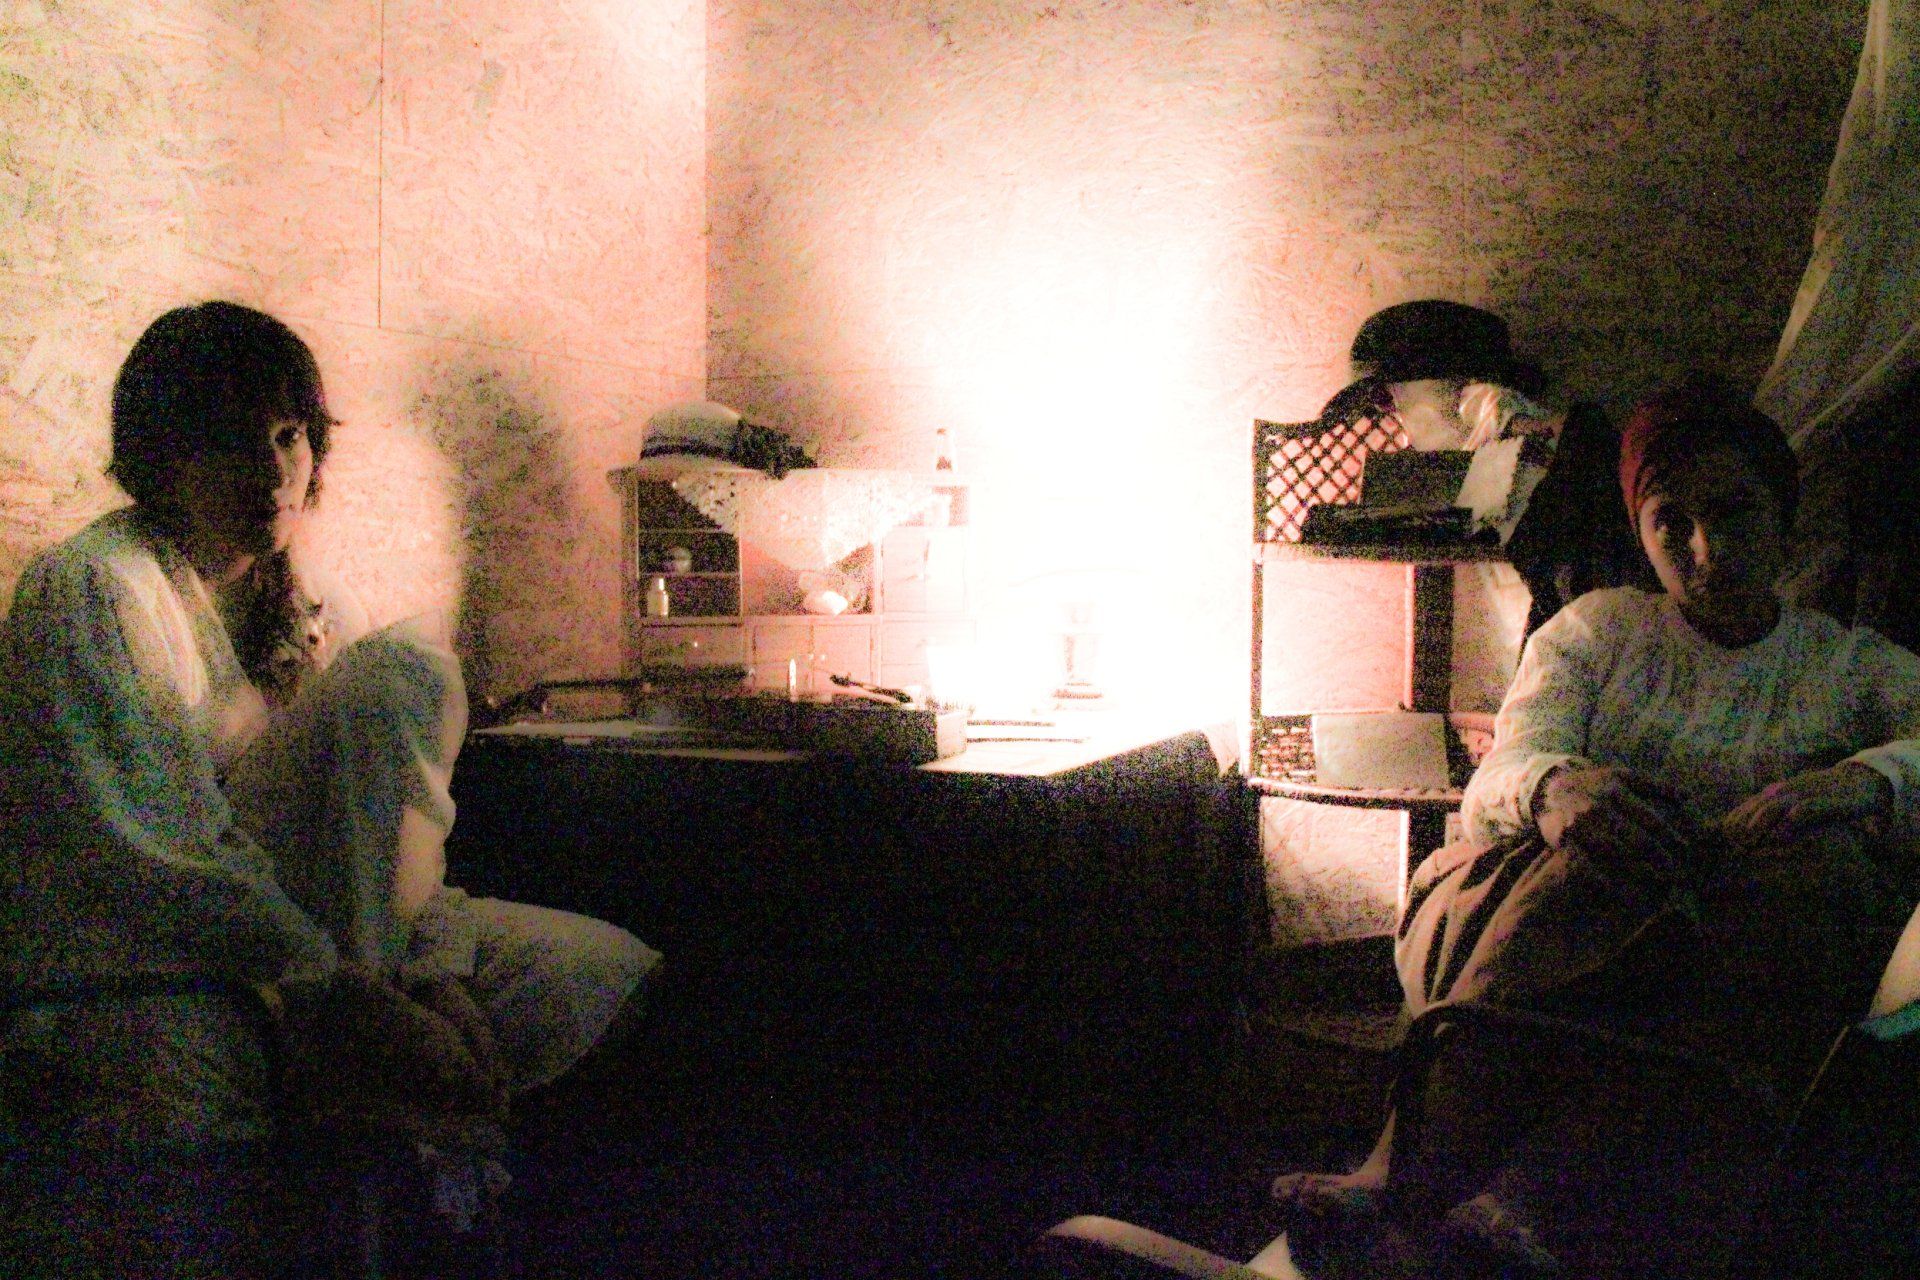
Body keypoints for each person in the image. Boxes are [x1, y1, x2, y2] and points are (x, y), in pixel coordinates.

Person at [0, 301, 661, 1268]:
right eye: (233, 440)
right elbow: (161, 855)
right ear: (162, 454)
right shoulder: (95, 586)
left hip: (330, 926)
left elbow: (393, 827)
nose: (274, 471)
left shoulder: (314, 604)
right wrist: (340, 992)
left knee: (590, 967)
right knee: (408, 670)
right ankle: (353, 1064)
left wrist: (436, 975)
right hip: (161, 940)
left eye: (288, 435)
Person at [1273, 372, 1920, 1276]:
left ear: (1783, 515)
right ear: (1640, 532)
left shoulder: (1847, 665)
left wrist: (1861, 782)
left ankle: (1531, 1194)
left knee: (1814, 885)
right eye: (1670, 523)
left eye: (1734, 512)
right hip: (1578, 906)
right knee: (1584, 863)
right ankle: (1401, 1168)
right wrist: (1556, 791)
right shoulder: (1599, 632)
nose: (1705, 549)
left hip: (1734, 934)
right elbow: (1503, 773)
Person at [1318, 299, 1654, 638]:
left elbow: (1519, 419)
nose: (1387, 410)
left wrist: (1529, 429)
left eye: (1388, 395)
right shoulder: (1444, 443)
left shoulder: (1487, 408)